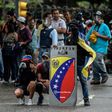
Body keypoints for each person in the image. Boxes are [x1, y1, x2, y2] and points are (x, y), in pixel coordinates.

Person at [65, 19, 96, 106]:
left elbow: (87, 51)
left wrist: (88, 64)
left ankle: (86, 99)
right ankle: (69, 99)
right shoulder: (68, 39)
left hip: (81, 64)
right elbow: (65, 51)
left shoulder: (82, 38)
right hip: (71, 64)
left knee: (83, 81)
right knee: (70, 82)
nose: (72, 28)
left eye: (73, 27)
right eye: (71, 27)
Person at [86, 11, 111, 84]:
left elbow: (109, 37)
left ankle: (104, 74)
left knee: (97, 59)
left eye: (98, 17)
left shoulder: (104, 26)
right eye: (95, 17)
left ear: (101, 18)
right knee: (94, 63)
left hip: (102, 48)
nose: (96, 19)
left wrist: (98, 35)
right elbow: (87, 37)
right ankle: (96, 78)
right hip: (93, 48)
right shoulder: (93, 27)